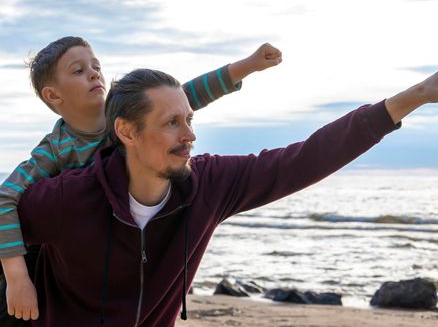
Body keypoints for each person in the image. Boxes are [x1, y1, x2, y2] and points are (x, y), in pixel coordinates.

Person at [14, 61, 438, 326]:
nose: (189, 135)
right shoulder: (66, 198)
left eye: (189, 119)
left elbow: (305, 158)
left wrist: (414, 96)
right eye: (171, 123)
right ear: (126, 132)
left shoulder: (207, 185)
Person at [0, 36, 283, 325]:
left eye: (95, 65)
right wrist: (17, 278)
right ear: (53, 95)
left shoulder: (127, 118)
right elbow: (4, 198)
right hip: (53, 259)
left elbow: (190, 94)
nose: (94, 73)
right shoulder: (55, 149)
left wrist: (248, 66)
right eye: (78, 70)